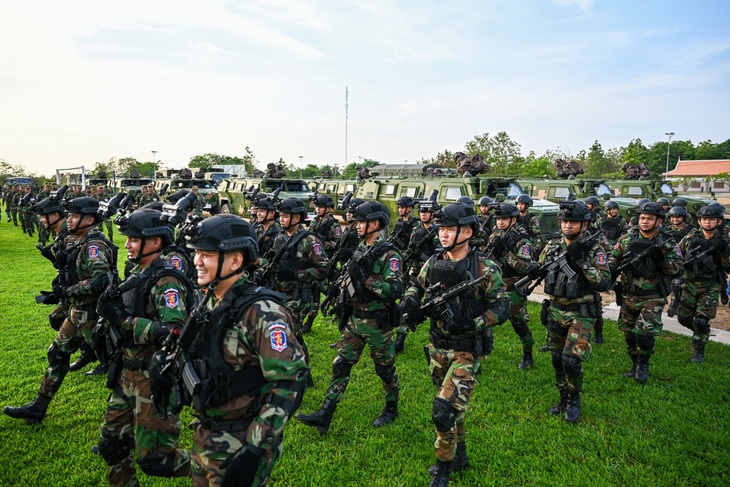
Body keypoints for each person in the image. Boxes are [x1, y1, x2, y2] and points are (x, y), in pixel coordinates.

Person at [160, 214, 307, 486]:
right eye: (197, 254)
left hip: (241, 439)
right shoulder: (209, 299)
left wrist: (253, 451)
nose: (197, 262)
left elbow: (290, 381)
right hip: (207, 432)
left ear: (235, 260)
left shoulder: (262, 312)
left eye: (206, 255)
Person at [400, 203, 509, 486]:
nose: (443, 235)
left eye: (450, 229)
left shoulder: (485, 267)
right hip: (438, 347)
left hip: (467, 349)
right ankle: (460, 454)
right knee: (454, 407)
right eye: (442, 229)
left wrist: (475, 323)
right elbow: (416, 284)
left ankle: (443, 468)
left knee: (443, 409)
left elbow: (502, 307)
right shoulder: (434, 261)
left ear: (468, 232)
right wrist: (411, 298)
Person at [95, 209, 193, 485]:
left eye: (133, 239)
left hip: (153, 378)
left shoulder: (167, 281)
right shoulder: (138, 273)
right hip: (126, 373)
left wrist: (126, 321)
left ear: (155, 242)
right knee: (112, 446)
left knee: (157, 460)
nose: (127, 244)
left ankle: (224, 469)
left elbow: (176, 331)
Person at [4, 197, 115, 424]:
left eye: (74, 216)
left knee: (119, 370)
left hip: (94, 313)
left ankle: (133, 424)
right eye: (69, 215)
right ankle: (38, 407)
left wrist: (68, 291)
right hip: (78, 311)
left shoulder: (94, 245)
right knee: (57, 353)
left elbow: (101, 280)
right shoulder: (78, 241)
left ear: (90, 219)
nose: (69, 219)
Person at [296, 201, 403, 433]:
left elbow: (394, 290)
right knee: (341, 365)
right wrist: (333, 292)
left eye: (361, 222)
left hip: (377, 322)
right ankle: (325, 414)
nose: (355, 226)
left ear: (374, 224)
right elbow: (348, 276)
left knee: (384, 369)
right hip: (355, 319)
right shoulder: (362, 248)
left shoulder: (389, 254)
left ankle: (391, 407)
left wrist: (366, 279)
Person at [536, 201, 611, 423]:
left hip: (582, 312)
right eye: (565, 222)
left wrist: (580, 260)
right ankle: (563, 397)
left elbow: (604, 283)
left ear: (584, 224)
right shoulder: (552, 246)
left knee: (571, 360)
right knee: (557, 358)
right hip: (556, 310)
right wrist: (532, 270)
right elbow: (541, 267)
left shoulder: (594, 249)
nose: (568, 226)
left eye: (573, 222)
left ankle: (574, 400)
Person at [609, 202, 682, 383]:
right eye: (642, 218)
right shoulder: (626, 240)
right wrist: (610, 270)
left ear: (659, 221)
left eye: (650, 219)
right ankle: (634, 362)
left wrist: (661, 260)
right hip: (629, 293)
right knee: (629, 333)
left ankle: (643, 363)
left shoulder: (666, 242)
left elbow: (678, 269)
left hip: (653, 296)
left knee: (644, 333)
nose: (645, 222)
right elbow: (613, 258)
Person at [266, 198, 330, 385]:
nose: (282, 220)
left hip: (299, 297)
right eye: (281, 216)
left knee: (292, 334)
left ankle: (302, 373)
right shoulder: (280, 237)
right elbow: (273, 263)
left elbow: (324, 269)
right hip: (280, 293)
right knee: (284, 334)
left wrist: (297, 274)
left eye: (286, 216)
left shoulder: (309, 240)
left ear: (297, 217)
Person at [675, 205, 730, 363]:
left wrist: (724, 253)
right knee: (683, 318)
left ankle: (699, 348)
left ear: (718, 221)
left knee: (701, 319)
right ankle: (701, 332)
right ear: (699, 221)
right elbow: (676, 255)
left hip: (710, 285)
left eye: (711, 219)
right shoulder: (690, 238)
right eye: (704, 219)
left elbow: (728, 266)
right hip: (689, 284)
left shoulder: (723, 241)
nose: (707, 222)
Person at [485, 203, 535, 369]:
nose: (500, 222)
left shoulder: (522, 240)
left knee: (519, 324)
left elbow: (525, 268)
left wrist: (506, 252)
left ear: (513, 219)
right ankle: (480, 354)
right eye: (498, 219)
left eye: (504, 219)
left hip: (512, 287)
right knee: (484, 321)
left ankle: (527, 354)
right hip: (493, 285)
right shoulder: (494, 236)